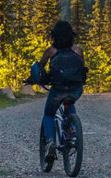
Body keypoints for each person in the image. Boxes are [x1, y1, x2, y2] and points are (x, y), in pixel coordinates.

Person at [31, 20, 87, 163]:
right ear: (71, 35)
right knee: (69, 103)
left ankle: (50, 142)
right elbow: (81, 70)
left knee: (49, 114)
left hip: (58, 89)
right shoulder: (78, 50)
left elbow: (40, 69)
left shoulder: (51, 51)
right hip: (75, 89)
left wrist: (33, 79)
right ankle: (71, 130)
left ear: (54, 35)